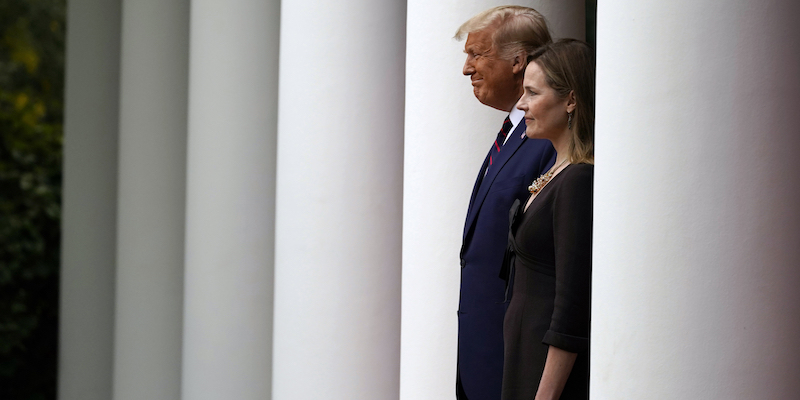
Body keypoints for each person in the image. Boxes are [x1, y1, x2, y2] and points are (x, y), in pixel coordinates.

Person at [454, 6, 556, 400]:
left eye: (477, 54)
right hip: (482, 354)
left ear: (518, 62)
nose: (467, 68)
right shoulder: (513, 134)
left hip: (515, 359)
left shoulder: (546, 140)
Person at [501, 39, 595, 400]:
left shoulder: (578, 180)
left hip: (545, 375)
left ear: (570, 100)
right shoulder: (557, 171)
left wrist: (546, 394)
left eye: (532, 92)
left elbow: (571, 305)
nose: (521, 104)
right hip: (524, 355)